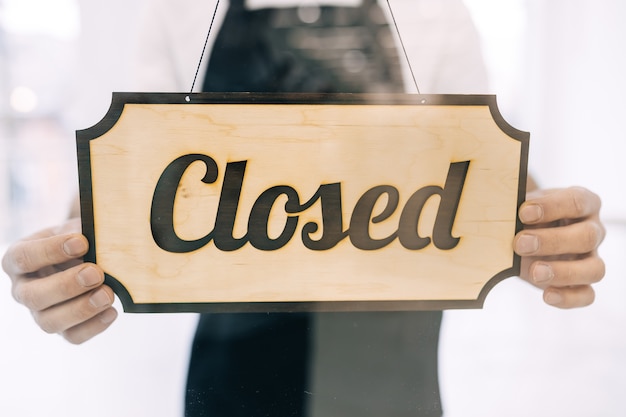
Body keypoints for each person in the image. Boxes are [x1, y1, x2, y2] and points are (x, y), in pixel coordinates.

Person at [1, 0, 606, 416]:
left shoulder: (432, 7)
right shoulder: (182, 6)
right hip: (236, 360)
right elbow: (137, 171)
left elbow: (487, 172)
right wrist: (74, 252)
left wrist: (547, 231)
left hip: (393, 361)